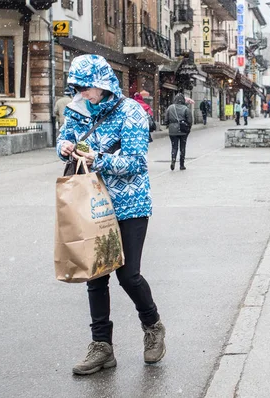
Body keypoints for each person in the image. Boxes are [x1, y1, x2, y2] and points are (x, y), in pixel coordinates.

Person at [56, 54, 165, 375]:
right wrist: (64, 146)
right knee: (95, 274)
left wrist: (96, 157)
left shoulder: (131, 111)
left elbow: (135, 162)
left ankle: (153, 327)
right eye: (78, 87)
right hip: (92, 201)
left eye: (87, 87)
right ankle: (102, 346)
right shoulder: (78, 109)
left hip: (130, 204)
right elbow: (66, 137)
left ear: (103, 84)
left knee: (128, 274)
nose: (82, 93)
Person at [164, 93, 192, 170]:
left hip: (172, 130)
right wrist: (188, 128)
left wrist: (169, 125)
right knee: (182, 147)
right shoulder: (186, 109)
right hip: (183, 130)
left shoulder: (170, 107)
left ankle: (173, 160)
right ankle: (182, 164)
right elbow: (189, 120)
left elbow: (165, 120)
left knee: (174, 146)